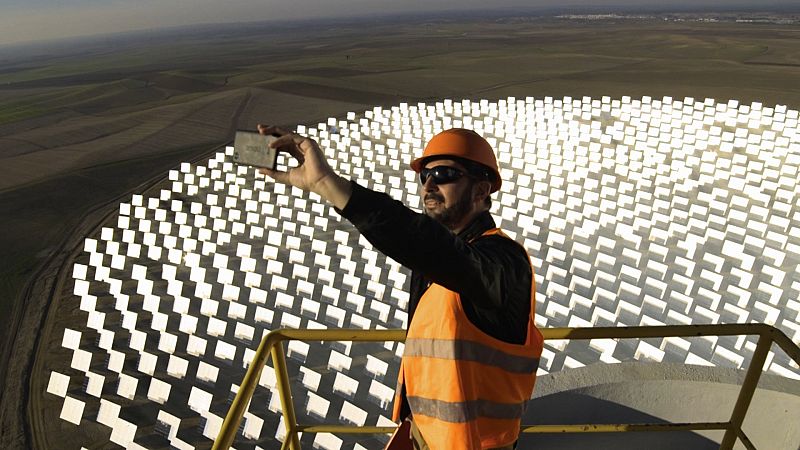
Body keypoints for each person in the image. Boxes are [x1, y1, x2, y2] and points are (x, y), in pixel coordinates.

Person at [257, 124, 543, 450]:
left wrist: (328, 184)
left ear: (481, 191)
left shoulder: (503, 262)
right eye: (425, 176)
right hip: (425, 433)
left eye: (446, 174)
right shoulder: (437, 262)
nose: (430, 184)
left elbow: (428, 244)